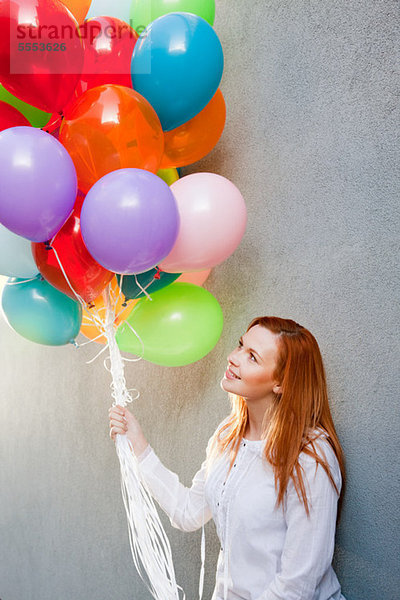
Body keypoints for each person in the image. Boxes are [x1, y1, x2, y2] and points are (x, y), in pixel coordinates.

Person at [109, 316, 347, 600]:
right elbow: (187, 511)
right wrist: (138, 443)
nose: (233, 358)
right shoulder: (227, 436)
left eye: (252, 357)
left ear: (281, 383)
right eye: (240, 345)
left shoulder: (310, 457)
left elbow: (297, 585)